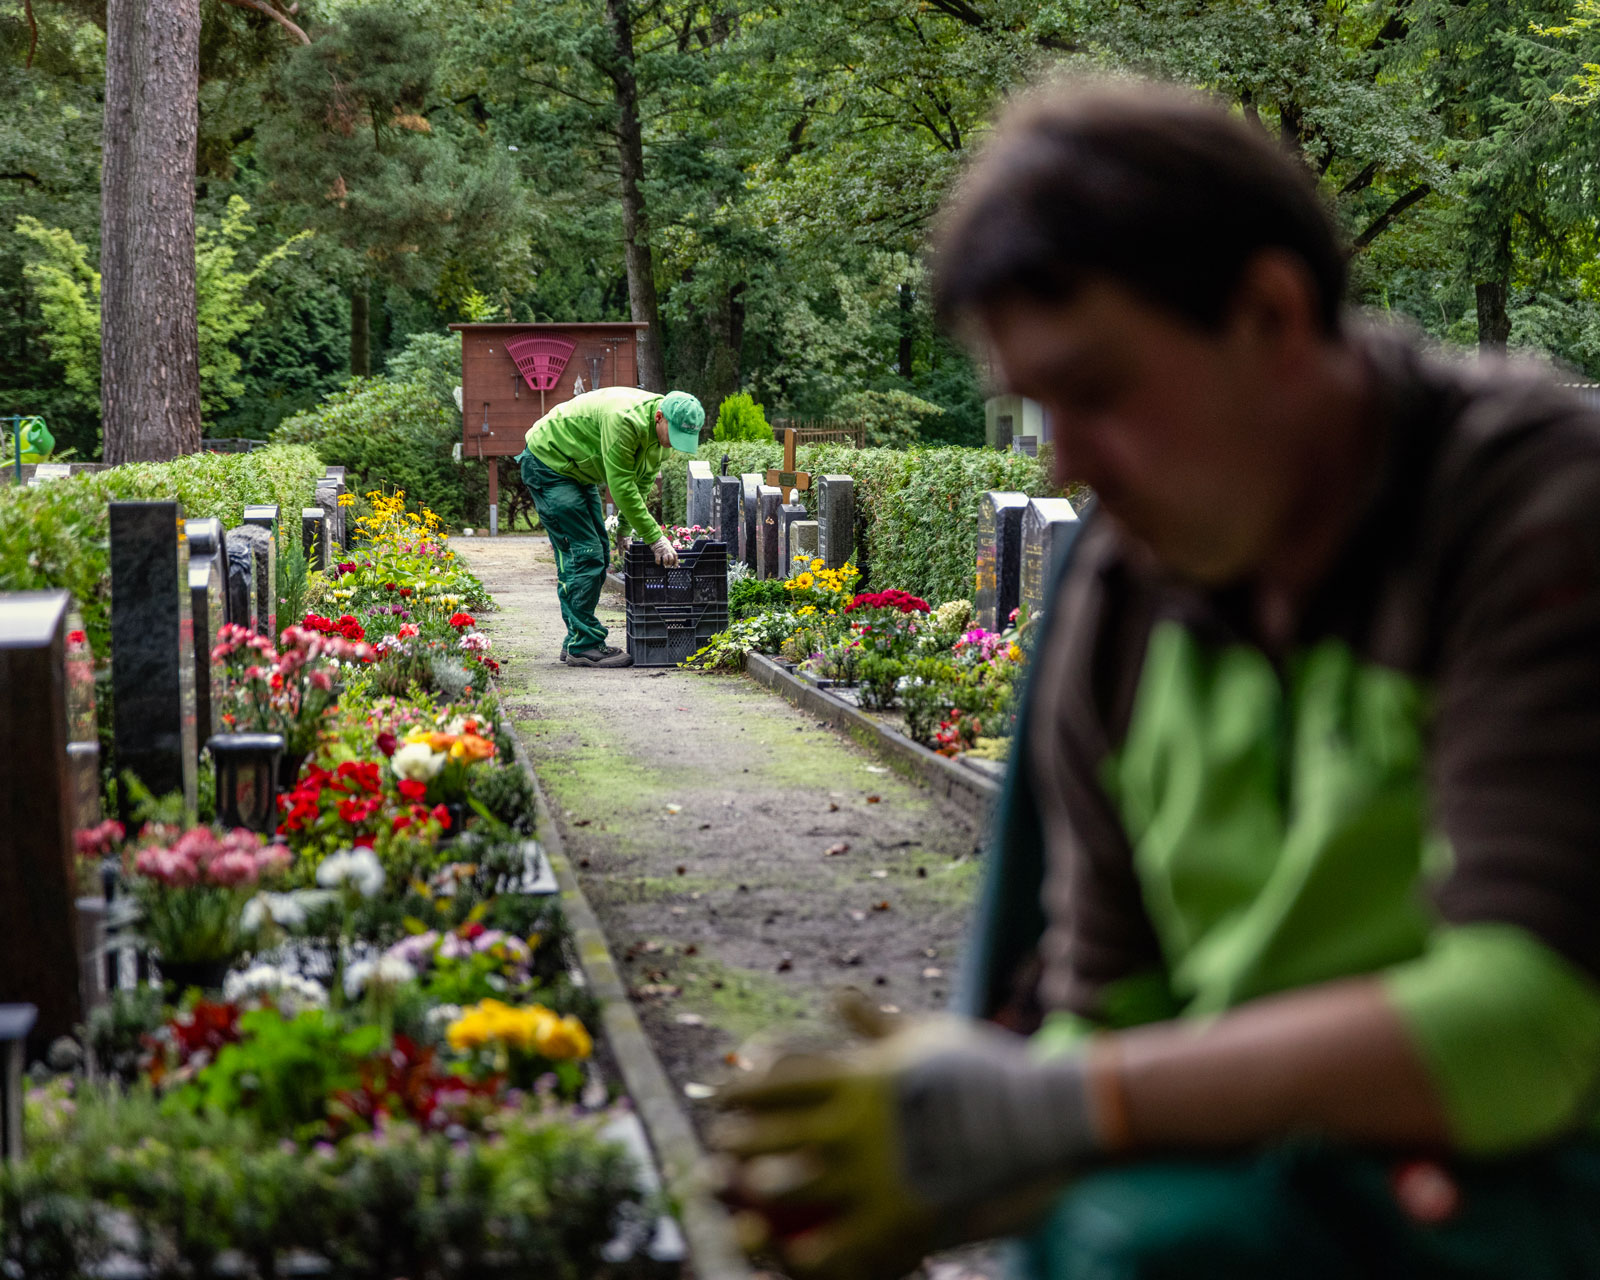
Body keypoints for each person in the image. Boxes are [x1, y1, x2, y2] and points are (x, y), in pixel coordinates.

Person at [711, 80, 1600, 1279]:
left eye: (1098, 390)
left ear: (1271, 314)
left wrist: (1055, 1111)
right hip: (1265, 1184)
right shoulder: (1122, 597)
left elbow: (1527, 1028)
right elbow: (1109, 1009)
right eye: (1038, 406)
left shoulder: (1533, 511)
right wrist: (969, 1149)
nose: (1068, 460)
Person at [515, 385, 704, 668]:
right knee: (584, 554)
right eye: (674, 434)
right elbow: (622, 486)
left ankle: (576, 640)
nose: (674, 443)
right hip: (549, 463)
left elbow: (640, 484)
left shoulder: (660, 440)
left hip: (577, 470)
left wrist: (625, 531)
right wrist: (656, 539)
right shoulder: (624, 421)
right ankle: (584, 644)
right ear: (659, 417)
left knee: (599, 550)